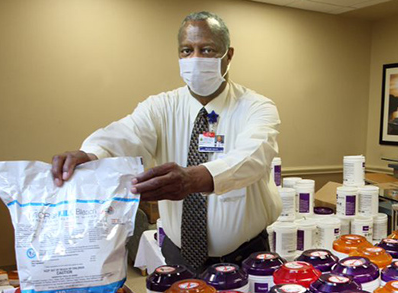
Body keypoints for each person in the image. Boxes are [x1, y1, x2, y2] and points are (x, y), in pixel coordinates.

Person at [51, 11, 282, 273]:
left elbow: (254, 156)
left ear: (228, 56)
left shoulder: (256, 107)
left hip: (245, 256)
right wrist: (91, 154)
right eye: (186, 51)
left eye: (206, 50)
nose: (195, 59)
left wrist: (195, 178)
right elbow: (125, 134)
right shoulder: (161, 106)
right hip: (179, 254)